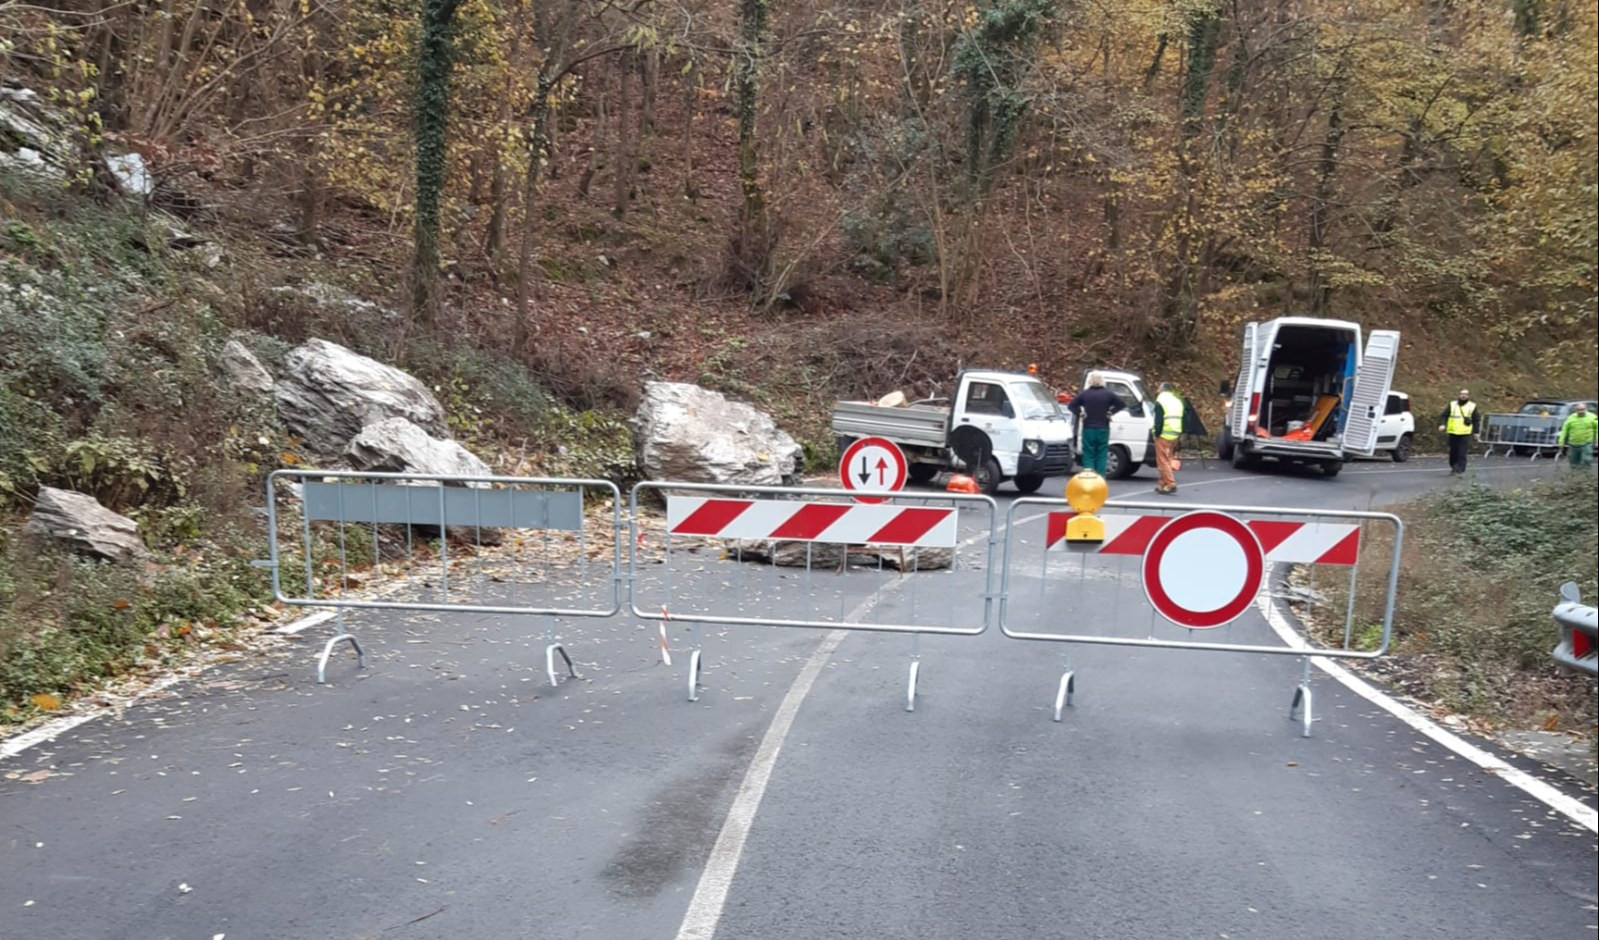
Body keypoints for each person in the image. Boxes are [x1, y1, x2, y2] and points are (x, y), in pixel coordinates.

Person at [1066, 372, 1124, 476]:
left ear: (1090, 381)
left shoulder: (1085, 394)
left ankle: (1089, 477)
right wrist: (1111, 412)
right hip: (1103, 427)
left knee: (1088, 454)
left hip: (1088, 427)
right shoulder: (1108, 394)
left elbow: (1071, 406)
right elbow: (1121, 404)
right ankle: (1100, 479)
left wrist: (1081, 413)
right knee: (1101, 454)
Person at [1150, 381, 1185, 494]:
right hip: (1174, 433)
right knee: (1167, 459)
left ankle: (1170, 483)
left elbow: (1158, 419)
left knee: (1162, 461)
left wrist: (1156, 433)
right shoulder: (1177, 401)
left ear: (1162, 389)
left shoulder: (1161, 400)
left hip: (1163, 434)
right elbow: (1184, 418)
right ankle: (1163, 484)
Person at [1437, 388, 1481, 475]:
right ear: (1459, 395)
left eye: (1465, 394)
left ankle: (1460, 469)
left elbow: (1476, 419)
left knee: (1462, 452)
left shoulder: (1472, 406)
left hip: (1464, 433)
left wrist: (1476, 432)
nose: (1463, 395)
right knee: (1453, 452)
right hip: (1453, 432)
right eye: (1462, 394)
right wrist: (1442, 424)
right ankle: (1454, 466)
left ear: (1468, 396)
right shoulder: (1452, 404)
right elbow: (1444, 415)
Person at [1558, 402, 1597, 469]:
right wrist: (1561, 441)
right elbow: (1564, 430)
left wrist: (1597, 441)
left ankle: (1586, 475)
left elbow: (1597, 430)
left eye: (1582, 409)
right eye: (1579, 409)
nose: (1581, 411)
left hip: (1586, 443)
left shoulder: (1593, 417)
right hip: (1573, 444)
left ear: (1586, 409)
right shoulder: (1571, 418)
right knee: (1573, 462)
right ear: (1576, 410)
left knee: (1586, 459)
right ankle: (1575, 476)